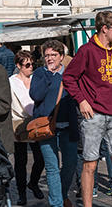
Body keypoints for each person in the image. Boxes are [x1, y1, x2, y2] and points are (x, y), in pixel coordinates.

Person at [62, 11, 112, 207]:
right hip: (93, 115)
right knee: (90, 164)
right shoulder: (86, 51)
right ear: (105, 29)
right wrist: (81, 100)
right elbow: (69, 78)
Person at [30, 40, 79, 207]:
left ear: (61, 56)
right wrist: (50, 76)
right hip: (46, 127)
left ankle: (62, 194)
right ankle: (56, 203)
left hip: (68, 126)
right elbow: (36, 95)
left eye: (53, 55)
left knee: (70, 164)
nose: (50, 58)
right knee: (52, 167)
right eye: (47, 55)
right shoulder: (39, 73)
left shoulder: (70, 74)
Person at [9, 50, 45, 205]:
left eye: (32, 64)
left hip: (36, 121)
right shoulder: (11, 82)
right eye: (27, 65)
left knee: (41, 157)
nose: (31, 67)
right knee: (20, 160)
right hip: (18, 122)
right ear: (18, 66)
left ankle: (34, 182)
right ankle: (21, 192)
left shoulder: (36, 78)